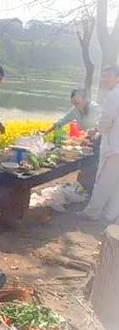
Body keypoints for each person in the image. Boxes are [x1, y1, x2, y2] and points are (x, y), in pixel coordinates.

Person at [81, 65, 119, 223]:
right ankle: (110, 215)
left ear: (117, 77)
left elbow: (105, 122)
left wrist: (96, 130)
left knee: (102, 182)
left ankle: (92, 213)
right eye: (103, 77)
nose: (104, 80)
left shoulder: (114, 95)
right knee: (116, 184)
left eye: (107, 77)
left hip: (113, 148)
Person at [45, 89, 101, 194]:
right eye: (73, 101)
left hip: (100, 139)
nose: (74, 103)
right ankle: (84, 188)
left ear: (85, 99)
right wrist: (46, 131)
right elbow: (62, 121)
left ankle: (92, 190)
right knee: (86, 165)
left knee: (95, 165)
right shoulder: (75, 110)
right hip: (88, 140)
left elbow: (100, 125)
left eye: (77, 100)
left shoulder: (94, 108)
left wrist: (91, 134)